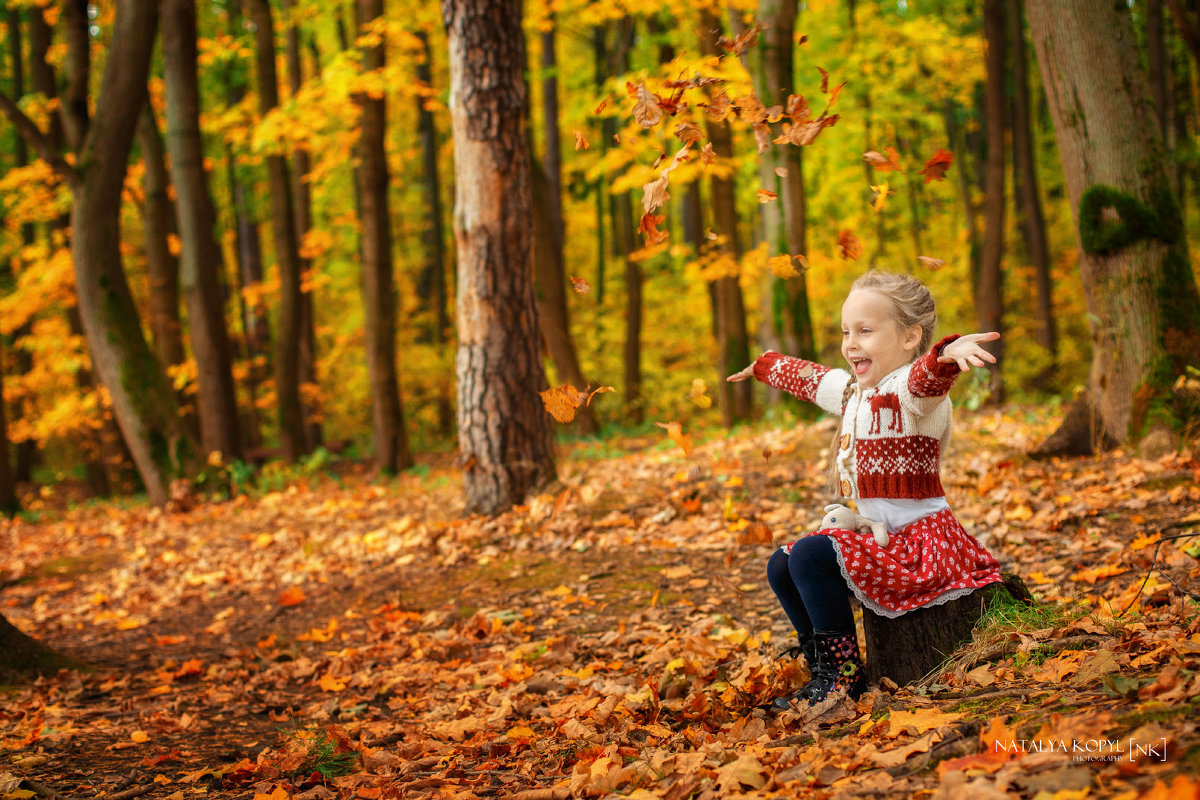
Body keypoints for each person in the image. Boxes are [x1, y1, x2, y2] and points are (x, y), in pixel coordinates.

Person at [726, 269, 1003, 708]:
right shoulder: (858, 391)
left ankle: (843, 677)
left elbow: (927, 380)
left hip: (920, 543)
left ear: (911, 337)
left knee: (814, 555)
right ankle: (823, 664)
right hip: (881, 537)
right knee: (782, 564)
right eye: (845, 332)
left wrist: (946, 355)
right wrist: (763, 366)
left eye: (865, 331)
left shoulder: (913, 395)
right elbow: (813, 379)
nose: (850, 343)